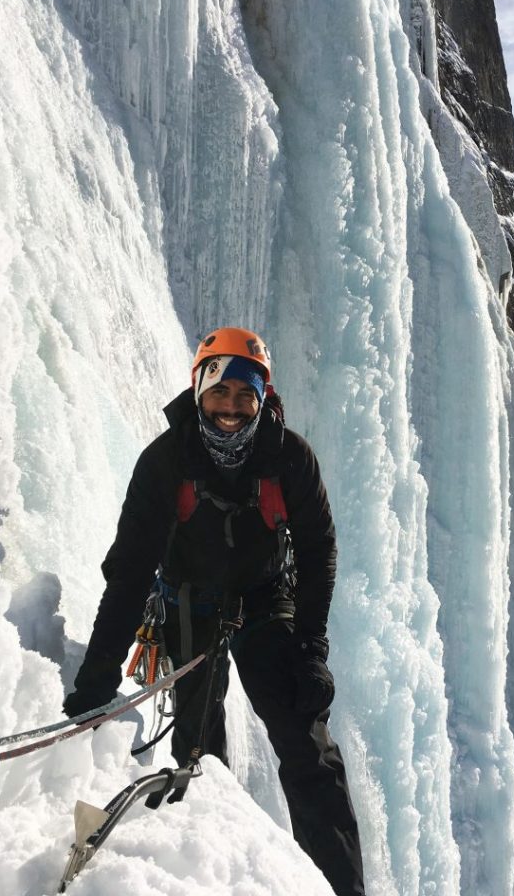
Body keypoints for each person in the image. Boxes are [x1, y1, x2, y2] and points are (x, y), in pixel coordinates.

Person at [64, 327, 365, 896]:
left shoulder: (290, 459)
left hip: (265, 602)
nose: (231, 408)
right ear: (199, 387)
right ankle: (211, 873)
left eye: (244, 395)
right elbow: (130, 570)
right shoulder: (165, 462)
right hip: (188, 604)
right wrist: (98, 675)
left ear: (263, 399)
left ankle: (341, 888)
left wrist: (310, 650)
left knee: (306, 744)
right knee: (197, 753)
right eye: (220, 392)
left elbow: (319, 552)